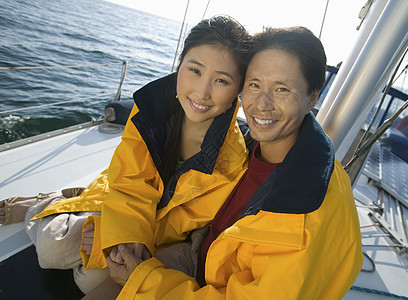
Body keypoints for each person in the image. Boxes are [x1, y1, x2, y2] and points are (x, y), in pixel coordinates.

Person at [102, 26, 363, 299]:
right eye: (254, 85)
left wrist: (145, 281)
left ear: (312, 98)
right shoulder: (252, 151)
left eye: (282, 89)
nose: (262, 104)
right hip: (202, 257)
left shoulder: (305, 211)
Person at [15, 15, 251, 295]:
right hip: (119, 198)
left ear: (239, 89)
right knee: (53, 248)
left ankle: (70, 210)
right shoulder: (151, 111)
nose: (202, 92)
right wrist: (120, 234)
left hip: (158, 234)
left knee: (91, 279)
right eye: (195, 70)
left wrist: (122, 239)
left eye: (221, 80)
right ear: (180, 63)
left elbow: (185, 220)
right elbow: (130, 182)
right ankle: (46, 203)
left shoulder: (232, 161)